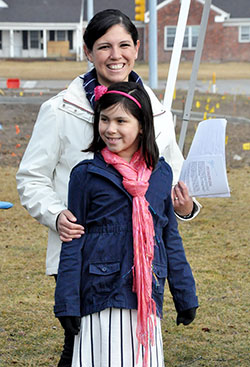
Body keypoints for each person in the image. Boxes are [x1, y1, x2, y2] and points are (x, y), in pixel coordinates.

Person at [16, 9, 200, 367]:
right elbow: (31, 177)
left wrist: (185, 208)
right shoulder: (59, 109)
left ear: (136, 49)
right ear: (88, 51)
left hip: (142, 260)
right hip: (83, 251)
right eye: (104, 47)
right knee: (83, 347)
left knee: (133, 350)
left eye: (124, 45)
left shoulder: (156, 112)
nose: (116, 55)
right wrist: (56, 216)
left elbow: (170, 179)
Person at [54, 81, 199, 367]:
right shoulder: (86, 175)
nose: (110, 129)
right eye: (104, 120)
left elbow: (170, 238)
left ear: (142, 125)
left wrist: (185, 295)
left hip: (146, 298)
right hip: (100, 295)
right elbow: (73, 241)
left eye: (121, 121)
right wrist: (67, 303)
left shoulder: (160, 174)